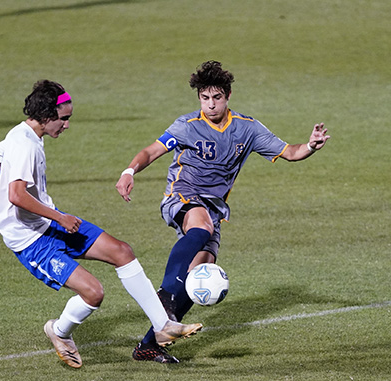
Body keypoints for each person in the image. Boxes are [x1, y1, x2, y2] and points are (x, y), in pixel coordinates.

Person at [116, 60, 330, 362]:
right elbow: (152, 151)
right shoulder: (187, 125)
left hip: (215, 208)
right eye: (205, 98)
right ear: (199, 98)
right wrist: (129, 172)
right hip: (183, 194)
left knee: (197, 278)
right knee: (200, 228)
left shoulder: (247, 128)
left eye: (216, 98)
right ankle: (163, 298)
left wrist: (311, 145)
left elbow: (290, 152)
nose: (211, 104)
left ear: (227, 96)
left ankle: (149, 345)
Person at [0, 80, 202, 367]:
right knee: (93, 293)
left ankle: (162, 326)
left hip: (47, 222)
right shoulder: (25, 146)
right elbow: (16, 195)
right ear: (46, 115)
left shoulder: (21, 134)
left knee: (122, 251)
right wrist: (57, 215)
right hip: (30, 240)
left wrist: (40, 205)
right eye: (64, 119)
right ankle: (58, 331)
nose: (67, 125)